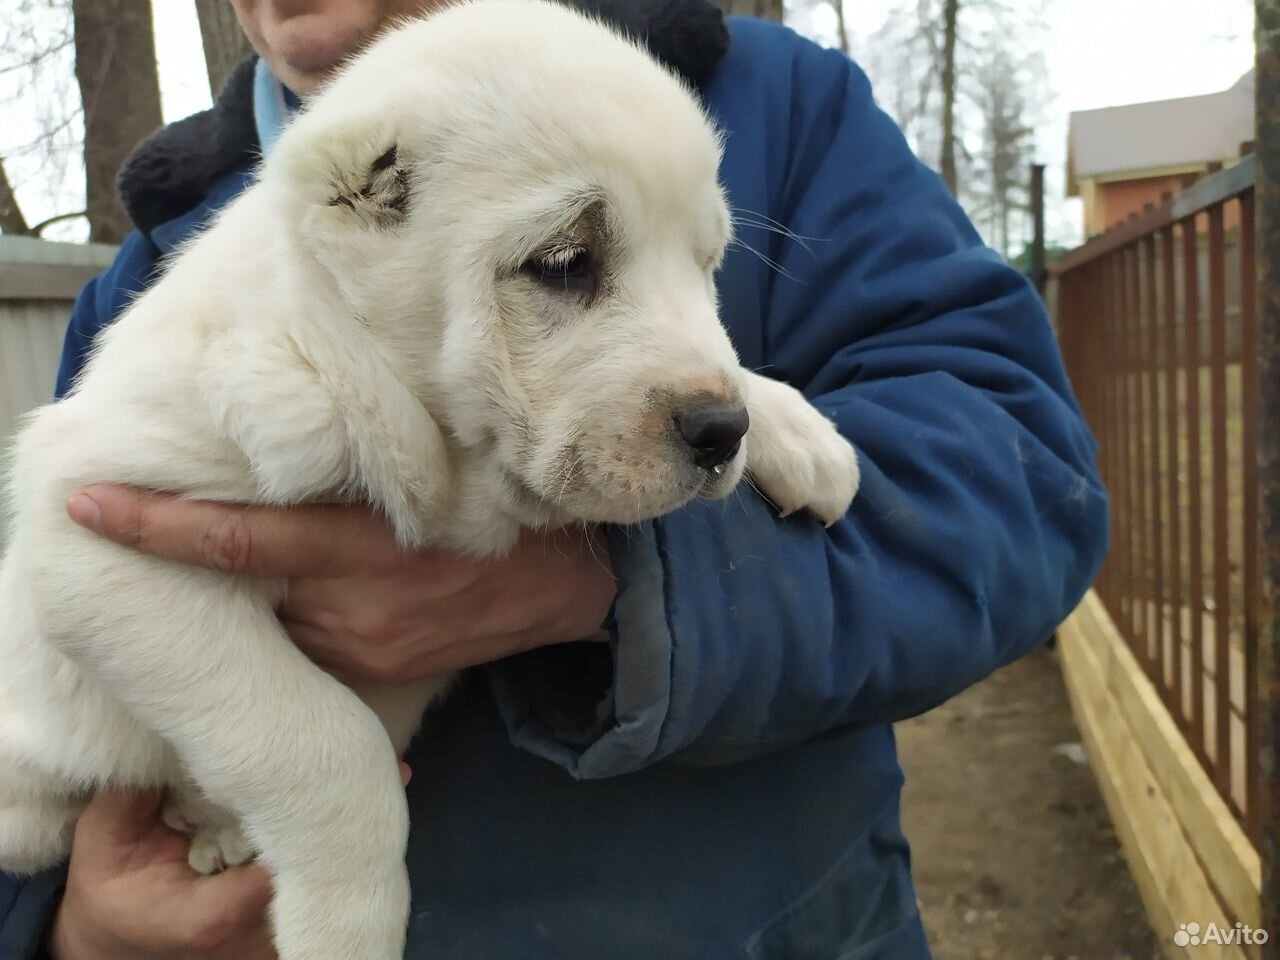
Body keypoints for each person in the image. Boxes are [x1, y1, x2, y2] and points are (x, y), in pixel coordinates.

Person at [0, 0, 1108, 957]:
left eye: (707, 261)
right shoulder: (168, 265)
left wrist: (616, 589)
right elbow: (78, 568)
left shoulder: (755, 101)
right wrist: (74, 935)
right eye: (565, 265)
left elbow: (1024, 477)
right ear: (358, 203)